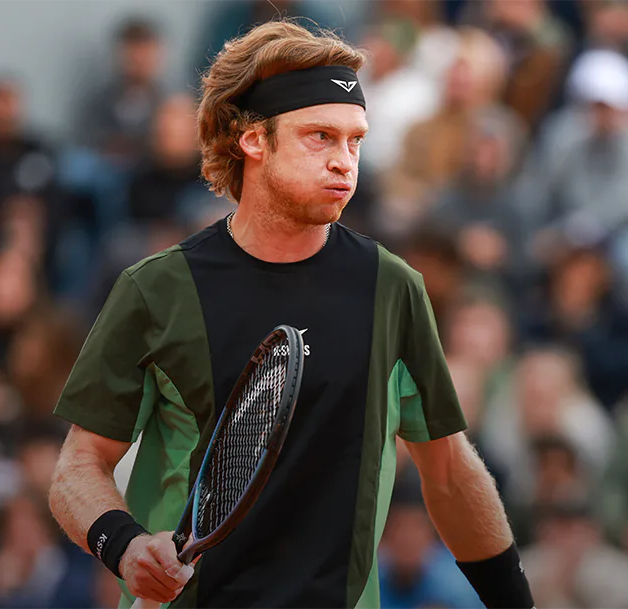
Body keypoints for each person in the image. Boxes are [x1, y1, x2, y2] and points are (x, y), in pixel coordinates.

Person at [48, 19, 532, 609]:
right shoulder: (155, 290)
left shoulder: (393, 287)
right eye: (320, 137)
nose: (345, 162)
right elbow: (78, 466)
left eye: (355, 141)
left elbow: (450, 473)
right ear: (254, 140)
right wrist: (123, 546)